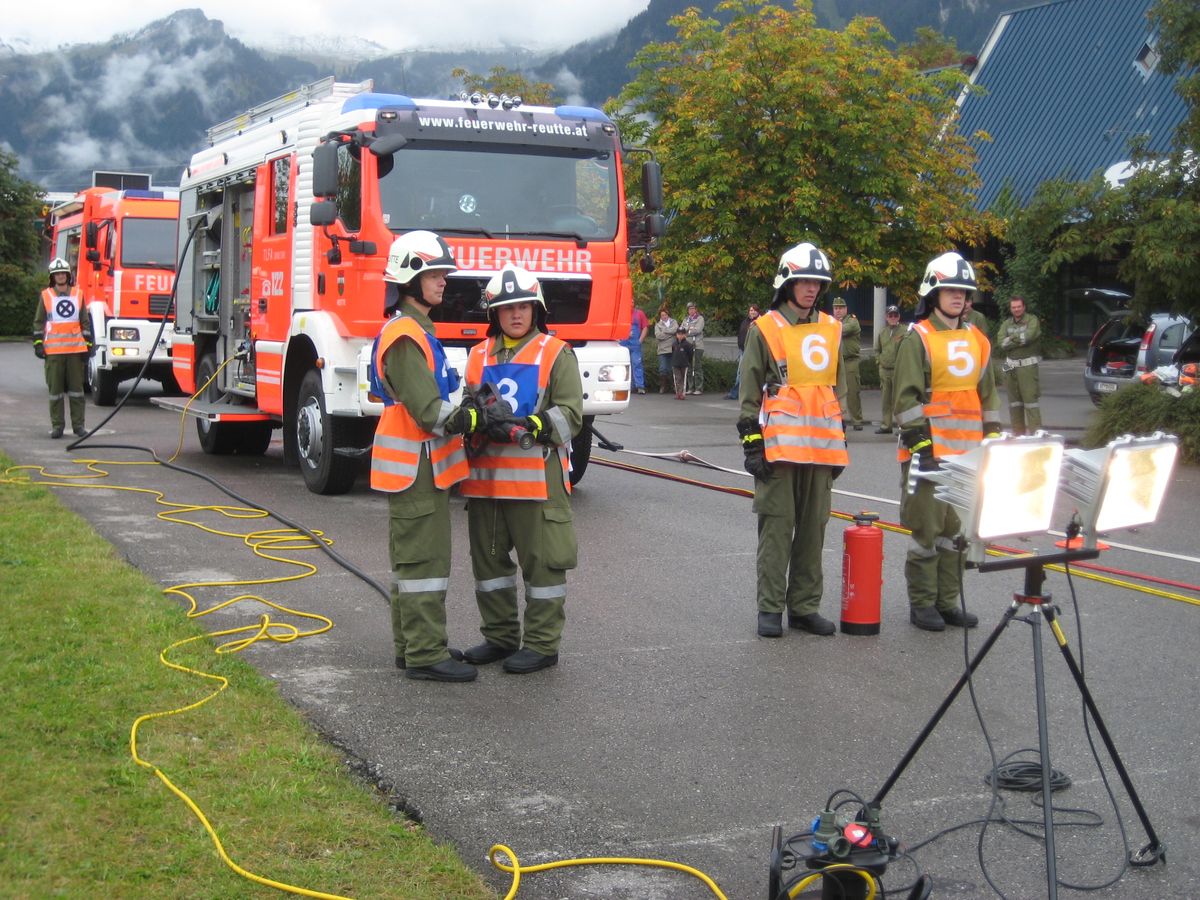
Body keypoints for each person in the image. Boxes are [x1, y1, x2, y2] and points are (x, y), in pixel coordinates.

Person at [368, 231, 495, 683]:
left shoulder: (418, 331)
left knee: (417, 561)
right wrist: (476, 419)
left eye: (443, 273)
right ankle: (424, 655)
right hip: (414, 469)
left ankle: (418, 647)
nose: (443, 281)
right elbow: (427, 412)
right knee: (424, 563)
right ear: (409, 279)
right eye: (434, 274)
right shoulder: (405, 336)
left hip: (421, 469)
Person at [458, 265, 584, 674]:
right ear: (494, 312)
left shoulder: (555, 352)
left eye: (524, 307)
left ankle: (543, 645)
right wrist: (474, 418)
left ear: (536, 309)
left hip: (536, 481)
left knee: (543, 566)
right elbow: (465, 407)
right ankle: (499, 637)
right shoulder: (476, 356)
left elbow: (571, 415)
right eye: (507, 307)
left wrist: (535, 424)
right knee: (489, 567)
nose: (516, 314)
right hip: (485, 481)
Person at [738, 241, 847, 639]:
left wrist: (841, 441)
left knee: (813, 529)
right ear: (786, 283)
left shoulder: (832, 329)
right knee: (778, 529)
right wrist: (752, 442)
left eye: (817, 282)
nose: (811, 288)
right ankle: (770, 608)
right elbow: (749, 391)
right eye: (803, 281)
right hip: (779, 448)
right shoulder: (764, 328)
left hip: (821, 448)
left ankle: (804, 607)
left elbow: (837, 389)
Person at [894, 251, 1001, 632]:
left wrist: (993, 439)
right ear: (932, 293)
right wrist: (921, 444)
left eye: (963, 291)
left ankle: (947, 601)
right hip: (929, 454)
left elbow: (987, 397)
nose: (958, 296)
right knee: (927, 531)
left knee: (956, 533)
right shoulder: (917, 338)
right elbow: (905, 400)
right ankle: (922, 604)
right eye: (949, 290)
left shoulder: (979, 340)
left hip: (968, 456)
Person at [33, 257, 92, 439]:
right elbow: (39, 321)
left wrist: (88, 345)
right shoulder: (46, 296)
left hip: (75, 351)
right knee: (55, 393)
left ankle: (79, 426)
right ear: (52, 277)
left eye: (62, 273)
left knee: (76, 392)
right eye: (56, 274)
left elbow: (84, 322)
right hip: (54, 353)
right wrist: (38, 344)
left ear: (68, 275)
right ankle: (57, 426)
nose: (60, 276)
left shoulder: (78, 294)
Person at [996, 295, 1042, 435]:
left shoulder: (1032, 320)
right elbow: (1001, 343)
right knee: (1014, 405)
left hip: (1027, 367)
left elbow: (1028, 337)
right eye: (1013, 307)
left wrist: (1011, 338)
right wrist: (1018, 339)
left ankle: (1036, 437)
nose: (1016, 309)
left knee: (1031, 404)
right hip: (1009, 366)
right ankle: (1018, 437)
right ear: (1010, 308)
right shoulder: (1006, 323)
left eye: (1019, 307)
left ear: (1024, 307)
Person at [873, 304, 906, 434]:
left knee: (899, 400)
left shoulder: (904, 331)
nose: (893, 317)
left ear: (899, 316)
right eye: (890, 315)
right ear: (886, 317)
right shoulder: (882, 332)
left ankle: (901, 426)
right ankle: (886, 425)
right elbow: (877, 350)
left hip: (898, 371)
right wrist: (879, 362)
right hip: (885, 371)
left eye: (895, 315)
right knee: (886, 400)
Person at [832, 297, 863, 429]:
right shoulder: (832, 322)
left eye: (840, 308)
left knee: (852, 393)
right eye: (835, 308)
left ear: (846, 309)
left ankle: (857, 420)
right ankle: (838, 419)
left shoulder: (852, 321)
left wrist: (831, 327)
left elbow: (843, 330)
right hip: (837, 362)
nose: (838, 311)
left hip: (850, 361)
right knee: (836, 393)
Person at [726, 303, 760, 399]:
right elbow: (741, 334)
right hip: (743, 350)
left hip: (754, 351)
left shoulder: (760, 322)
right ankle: (736, 393)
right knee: (740, 372)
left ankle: (750, 393)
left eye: (754, 310)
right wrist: (740, 345)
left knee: (753, 372)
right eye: (750, 310)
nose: (752, 312)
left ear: (757, 311)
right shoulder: (745, 322)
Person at [620, 302, 650, 394]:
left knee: (637, 364)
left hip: (635, 344)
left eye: (632, 302)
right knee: (623, 365)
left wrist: (640, 340)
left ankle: (640, 386)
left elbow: (645, 327)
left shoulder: (639, 313)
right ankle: (625, 386)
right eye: (629, 302)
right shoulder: (621, 314)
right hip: (623, 343)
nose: (630, 303)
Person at [653, 305, 679, 394]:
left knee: (672, 369)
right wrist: (670, 334)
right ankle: (663, 386)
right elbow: (658, 336)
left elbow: (676, 330)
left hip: (673, 349)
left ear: (668, 315)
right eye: (662, 315)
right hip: (662, 350)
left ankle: (674, 386)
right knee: (663, 368)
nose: (664, 317)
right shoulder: (657, 325)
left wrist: (665, 331)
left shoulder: (674, 322)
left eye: (665, 315)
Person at [682, 301, 706, 394]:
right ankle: (690, 387)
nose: (691, 310)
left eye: (693, 308)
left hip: (697, 345)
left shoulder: (700, 318)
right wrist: (691, 329)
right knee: (689, 367)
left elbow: (698, 330)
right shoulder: (686, 319)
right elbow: (681, 330)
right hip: (688, 346)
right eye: (689, 309)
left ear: (696, 309)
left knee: (697, 366)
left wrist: (687, 332)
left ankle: (698, 388)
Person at [670, 325, 693, 400]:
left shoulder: (688, 345)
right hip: (675, 364)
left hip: (684, 364)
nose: (680, 336)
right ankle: (678, 393)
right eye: (678, 334)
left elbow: (690, 355)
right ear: (676, 335)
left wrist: (688, 362)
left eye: (682, 334)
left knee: (683, 379)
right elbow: (672, 353)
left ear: (685, 335)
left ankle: (683, 393)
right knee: (677, 379)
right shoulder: (674, 344)